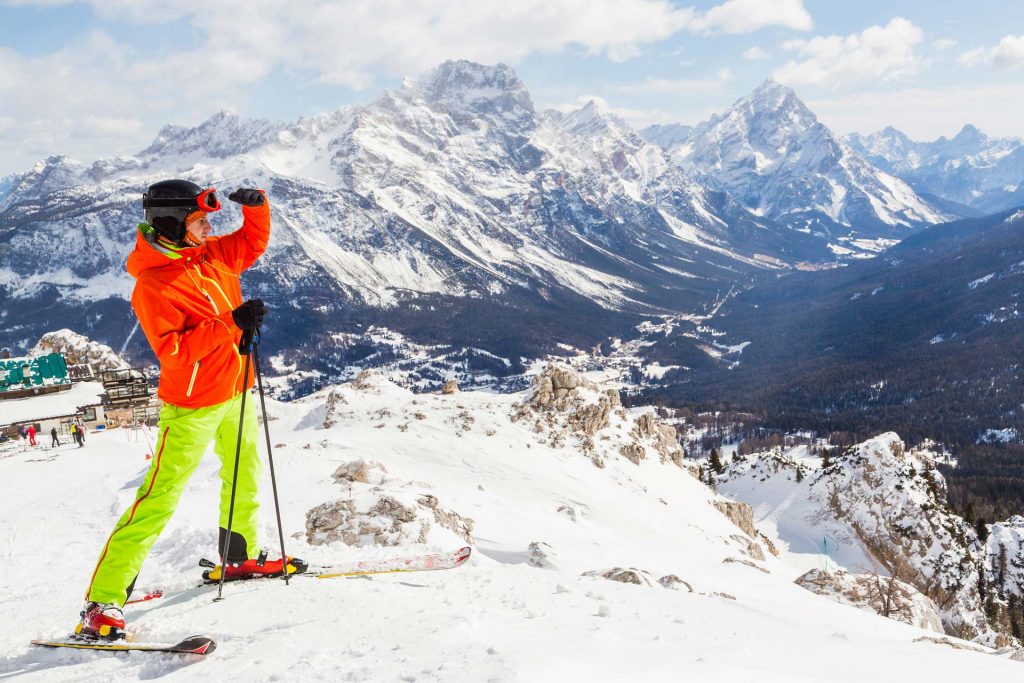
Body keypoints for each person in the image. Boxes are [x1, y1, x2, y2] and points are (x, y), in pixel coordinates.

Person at [75, 180, 305, 641]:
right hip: (193, 403)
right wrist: (229, 323)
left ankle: (239, 557)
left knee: (244, 471)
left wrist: (258, 210)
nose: (208, 227)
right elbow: (174, 352)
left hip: (236, 387)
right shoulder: (154, 284)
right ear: (171, 225)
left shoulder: (211, 254)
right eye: (200, 221)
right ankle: (103, 601)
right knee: (159, 497)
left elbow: (252, 242)